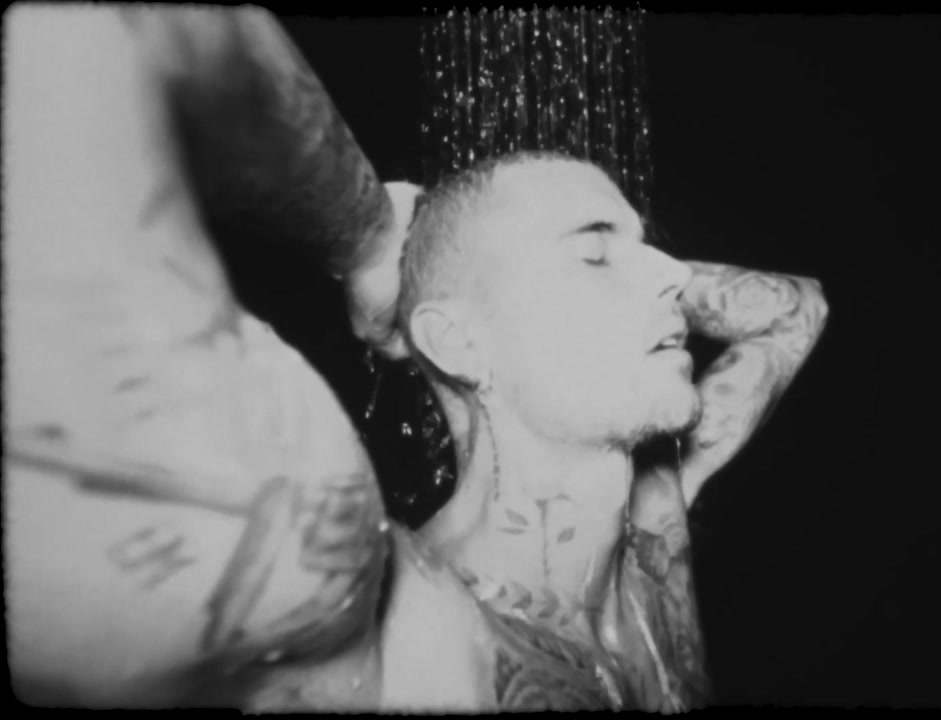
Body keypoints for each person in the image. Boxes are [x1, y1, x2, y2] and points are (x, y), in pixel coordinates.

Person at [4, 6, 827, 711]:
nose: (674, 274)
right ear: (457, 343)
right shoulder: (382, 629)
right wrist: (363, 237)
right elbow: (114, 27)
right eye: (593, 251)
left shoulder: (653, 528)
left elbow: (794, 310)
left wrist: (617, 267)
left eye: (647, 247)